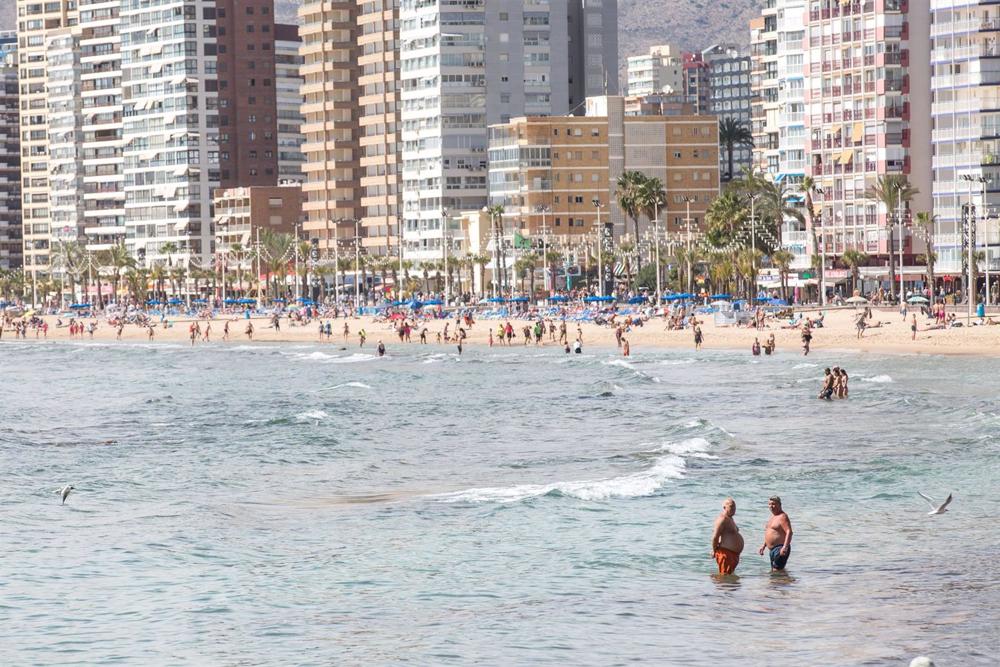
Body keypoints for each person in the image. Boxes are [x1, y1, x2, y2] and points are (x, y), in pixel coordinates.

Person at [711, 498, 745, 575]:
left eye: (735, 507)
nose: (734, 509)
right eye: (731, 506)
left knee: (729, 579)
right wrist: (714, 550)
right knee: (724, 578)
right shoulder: (722, 519)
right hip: (726, 554)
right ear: (724, 507)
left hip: (733, 555)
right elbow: (715, 537)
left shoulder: (730, 518)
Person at [758, 496, 793, 571]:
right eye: (769, 504)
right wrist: (764, 546)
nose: (771, 506)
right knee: (776, 571)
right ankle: (785, 581)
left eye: (773, 504)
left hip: (780, 548)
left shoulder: (782, 517)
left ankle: (783, 581)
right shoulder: (773, 517)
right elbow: (770, 532)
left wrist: (785, 547)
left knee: (776, 572)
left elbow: (789, 532)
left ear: (779, 505)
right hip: (772, 550)